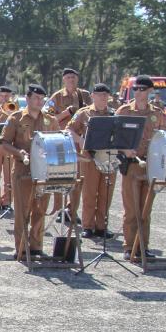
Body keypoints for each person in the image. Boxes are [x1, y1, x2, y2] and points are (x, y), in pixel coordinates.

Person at [0, 84, 60, 258]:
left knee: (40, 209)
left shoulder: (50, 120)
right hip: (22, 169)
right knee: (22, 211)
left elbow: (56, 142)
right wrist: (19, 153)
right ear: (27, 99)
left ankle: (36, 246)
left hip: (44, 172)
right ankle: (21, 248)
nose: (39, 101)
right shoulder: (16, 118)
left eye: (42, 98)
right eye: (36, 98)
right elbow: (4, 142)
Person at [116, 75, 166, 261]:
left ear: (149, 91)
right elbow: (114, 137)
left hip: (151, 166)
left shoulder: (157, 113)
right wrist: (124, 150)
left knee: (146, 209)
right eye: (136, 89)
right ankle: (129, 246)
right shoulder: (124, 111)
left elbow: (164, 138)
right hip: (131, 165)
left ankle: (143, 247)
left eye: (142, 89)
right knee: (131, 209)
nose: (138, 92)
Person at [67, 83, 116, 239]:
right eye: (99, 94)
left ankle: (101, 226)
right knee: (89, 192)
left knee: (105, 193)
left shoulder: (114, 114)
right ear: (93, 96)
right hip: (89, 157)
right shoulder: (83, 113)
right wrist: (81, 140)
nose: (103, 97)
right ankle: (88, 225)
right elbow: (69, 129)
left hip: (109, 156)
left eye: (105, 95)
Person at [47, 68, 91, 224]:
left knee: (77, 177)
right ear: (63, 80)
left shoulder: (85, 95)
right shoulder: (56, 97)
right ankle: (59, 209)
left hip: (80, 140)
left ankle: (72, 210)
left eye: (73, 77)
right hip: (62, 141)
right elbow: (49, 120)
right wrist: (66, 113)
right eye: (68, 77)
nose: (71, 80)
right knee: (61, 175)